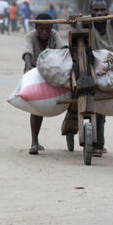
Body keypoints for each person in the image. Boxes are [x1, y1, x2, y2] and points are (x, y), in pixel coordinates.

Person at [64, 0, 113, 157]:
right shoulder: (88, 23)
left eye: (103, 10)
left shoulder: (112, 23)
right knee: (79, 96)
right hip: (89, 65)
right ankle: (86, 136)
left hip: (109, 68)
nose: (100, 13)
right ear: (91, 12)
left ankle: (98, 143)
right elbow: (77, 26)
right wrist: (74, 21)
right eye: (96, 10)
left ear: (108, 11)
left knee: (101, 106)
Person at [22, 13, 67, 155]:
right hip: (35, 70)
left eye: (47, 29)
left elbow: (63, 49)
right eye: (41, 29)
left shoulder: (54, 35)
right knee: (36, 108)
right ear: (36, 27)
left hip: (53, 71)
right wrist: (28, 66)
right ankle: (34, 142)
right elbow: (27, 52)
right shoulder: (30, 36)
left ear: (51, 27)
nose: (44, 32)